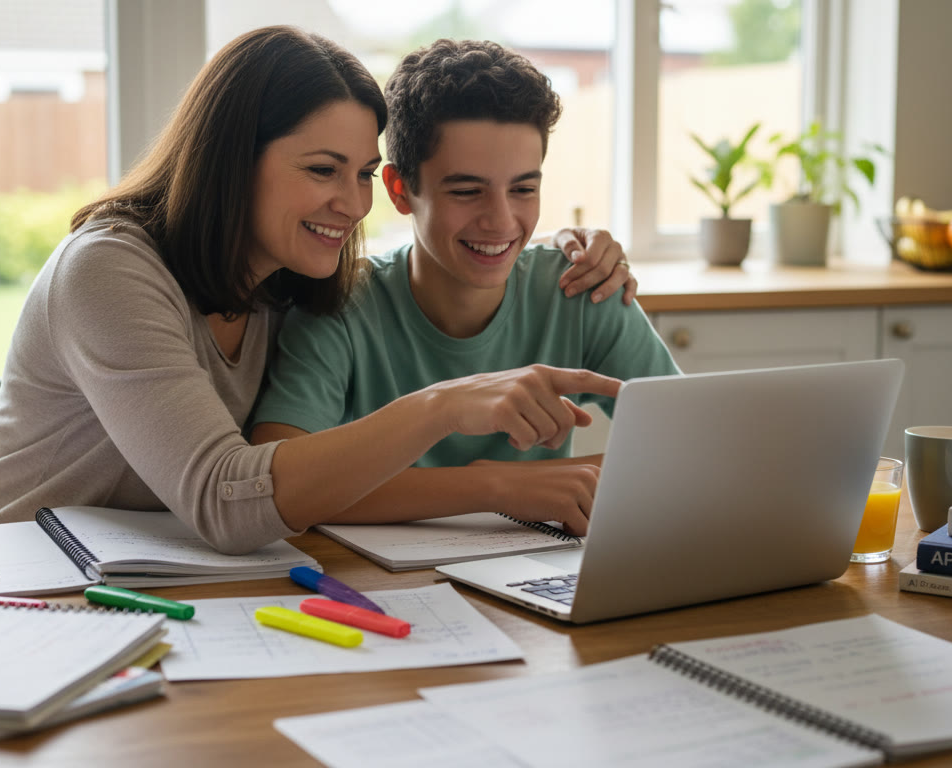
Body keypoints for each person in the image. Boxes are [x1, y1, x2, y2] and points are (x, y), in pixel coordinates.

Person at [0, 27, 636, 553]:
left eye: (364, 173)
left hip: (156, 584)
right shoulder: (108, 270)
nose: (351, 202)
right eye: (322, 170)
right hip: (15, 583)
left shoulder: (287, 282)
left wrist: (566, 249)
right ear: (232, 162)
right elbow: (228, 500)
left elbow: (439, 253)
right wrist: (443, 411)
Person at [250, 39, 680, 536]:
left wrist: (523, 482)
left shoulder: (583, 288)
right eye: (467, 190)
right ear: (400, 190)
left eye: (523, 189)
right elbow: (273, 483)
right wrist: (495, 485)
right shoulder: (339, 304)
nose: (501, 221)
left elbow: (692, 438)